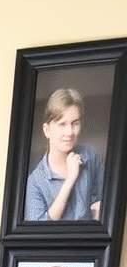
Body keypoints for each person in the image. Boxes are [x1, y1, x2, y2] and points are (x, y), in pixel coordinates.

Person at [25, 87, 103, 223]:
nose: (70, 132)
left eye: (75, 123)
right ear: (47, 130)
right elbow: (39, 231)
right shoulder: (35, 182)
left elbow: (105, 203)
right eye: (62, 124)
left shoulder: (91, 156)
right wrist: (70, 180)